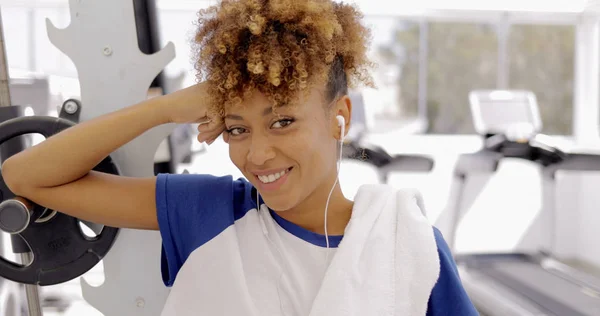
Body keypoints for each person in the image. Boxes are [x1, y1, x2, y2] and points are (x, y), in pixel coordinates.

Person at [2, 0, 478, 315]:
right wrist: (165, 109)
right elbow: (26, 176)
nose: (257, 153)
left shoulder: (408, 243)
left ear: (340, 116)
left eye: (283, 121)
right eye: (236, 129)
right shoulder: (208, 211)